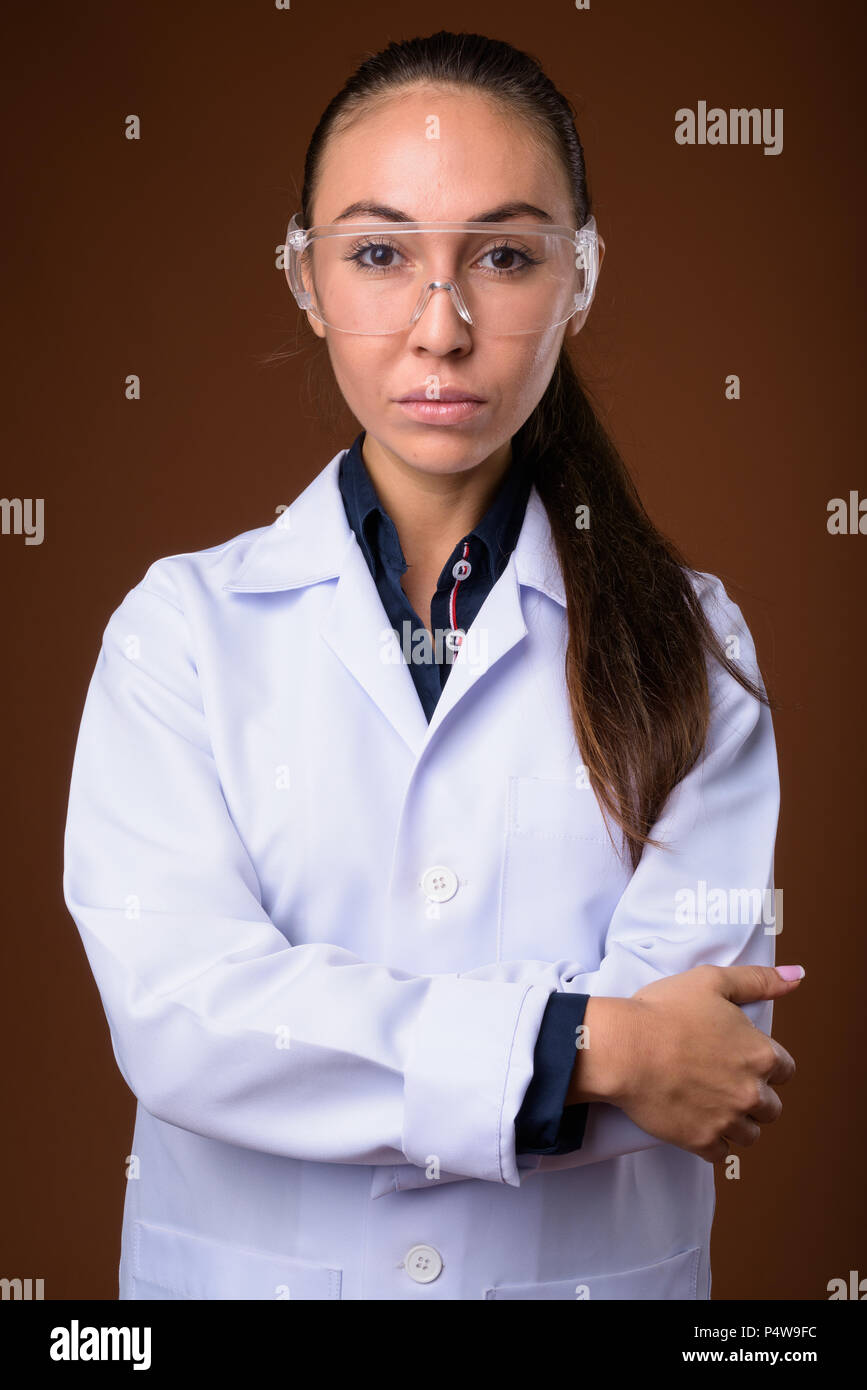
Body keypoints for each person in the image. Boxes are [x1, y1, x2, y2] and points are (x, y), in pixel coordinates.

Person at [62, 30, 803, 1301]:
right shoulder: (177, 631)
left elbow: (694, 1068)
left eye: (505, 257)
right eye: (379, 254)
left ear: (581, 279)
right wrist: (586, 1046)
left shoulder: (695, 643)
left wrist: (357, 1066)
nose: (440, 326)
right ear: (306, 280)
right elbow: (185, 1024)